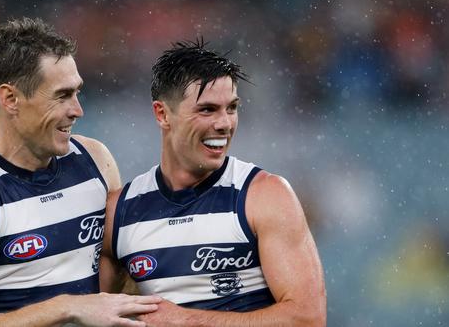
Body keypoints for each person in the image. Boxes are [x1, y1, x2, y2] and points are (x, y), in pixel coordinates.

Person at [0, 18, 161, 327]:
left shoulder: (94, 160)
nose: (77, 110)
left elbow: (119, 267)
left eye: (77, 93)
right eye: (62, 96)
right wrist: (64, 308)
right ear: (10, 99)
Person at [100, 39, 326, 326]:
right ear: (162, 114)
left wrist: (186, 321)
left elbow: (307, 318)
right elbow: (96, 315)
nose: (224, 123)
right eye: (207, 110)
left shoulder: (264, 196)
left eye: (231, 108)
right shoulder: (118, 212)